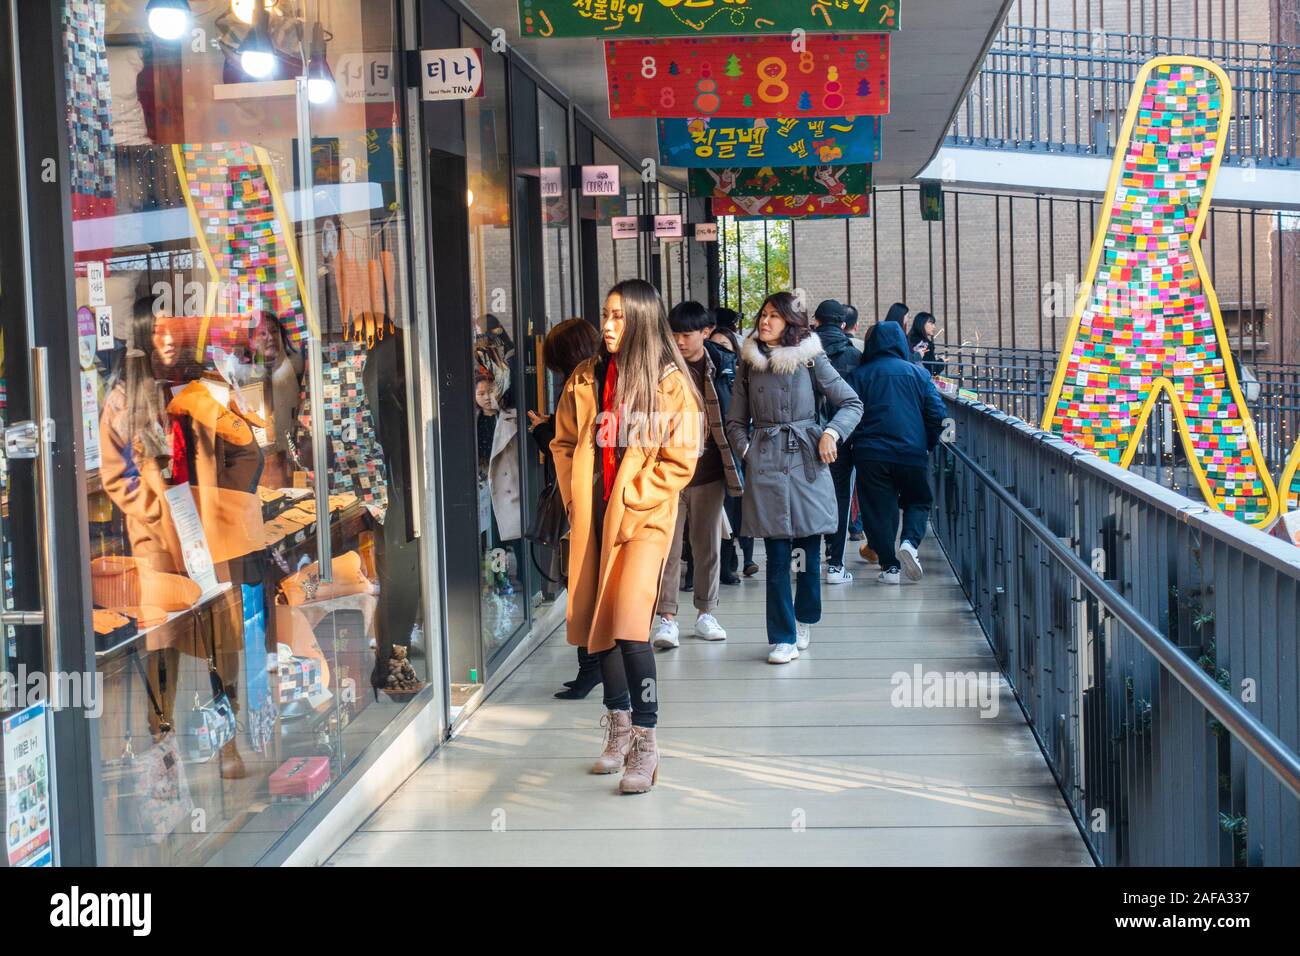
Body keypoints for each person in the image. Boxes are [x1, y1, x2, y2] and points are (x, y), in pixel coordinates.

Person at [551, 279, 701, 793]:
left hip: (644, 519)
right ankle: (617, 728)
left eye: (619, 317)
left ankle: (646, 740)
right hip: (595, 517)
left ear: (640, 319)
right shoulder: (586, 377)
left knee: (632, 626)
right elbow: (563, 441)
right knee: (603, 624)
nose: (609, 326)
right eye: (606, 315)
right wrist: (575, 499)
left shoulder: (668, 383)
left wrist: (635, 496)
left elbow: (681, 459)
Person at [726, 292, 862, 664]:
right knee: (777, 555)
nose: (764, 322)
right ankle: (782, 637)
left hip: (806, 460)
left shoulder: (810, 358)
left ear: (790, 321)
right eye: (762, 315)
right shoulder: (749, 362)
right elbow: (735, 421)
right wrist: (747, 451)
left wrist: (831, 434)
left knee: (807, 551)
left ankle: (805, 618)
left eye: (773, 316)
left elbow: (851, 402)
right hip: (766, 461)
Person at [652, 302, 744, 648]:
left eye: (686, 334)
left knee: (707, 546)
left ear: (706, 332)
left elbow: (736, 413)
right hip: (668, 473)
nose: (679, 341)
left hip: (708, 471)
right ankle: (666, 618)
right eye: (673, 333)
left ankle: (706, 612)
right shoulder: (660, 369)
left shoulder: (724, 365)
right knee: (667, 548)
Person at [528, 318, 603, 699]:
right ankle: (591, 667)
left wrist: (544, 432)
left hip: (585, 502)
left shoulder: (579, 386)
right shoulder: (598, 380)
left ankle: (592, 669)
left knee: (582, 586)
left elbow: (570, 449)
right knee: (587, 587)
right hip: (596, 500)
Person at [846, 321, 947, 585]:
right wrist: (929, 442)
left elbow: (848, 413)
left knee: (878, 509)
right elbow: (937, 414)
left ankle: (890, 567)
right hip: (911, 451)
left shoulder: (860, 375)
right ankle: (910, 544)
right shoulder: (918, 374)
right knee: (918, 500)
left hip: (871, 453)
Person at [812, 300, 863, 586]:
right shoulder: (855, 356)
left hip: (806, 436)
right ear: (843, 325)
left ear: (816, 321)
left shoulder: (802, 353)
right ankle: (835, 563)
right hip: (842, 438)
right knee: (841, 498)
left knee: (804, 499)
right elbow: (855, 402)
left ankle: (802, 564)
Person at [908, 311, 946, 377]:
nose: (934, 327)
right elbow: (932, 370)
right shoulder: (925, 344)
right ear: (921, 324)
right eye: (931, 323)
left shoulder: (908, 339)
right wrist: (942, 361)